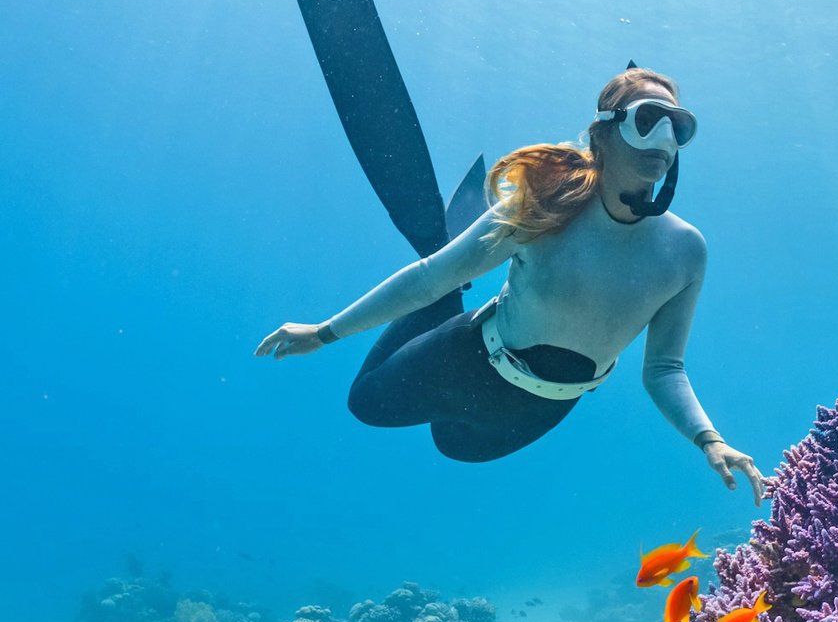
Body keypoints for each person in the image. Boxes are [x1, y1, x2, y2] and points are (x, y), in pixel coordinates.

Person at [256, 64, 767, 500]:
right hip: (468, 359)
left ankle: (457, 291)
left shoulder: (686, 251)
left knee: (456, 448)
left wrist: (709, 439)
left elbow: (664, 368)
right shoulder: (542, 206)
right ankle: (457, 288)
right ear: (604, 133)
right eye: (648, 120)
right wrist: (322, 333)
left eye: (677, 127)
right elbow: (426, 279)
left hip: (550, 403)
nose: (663, 140)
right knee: (365, 403)